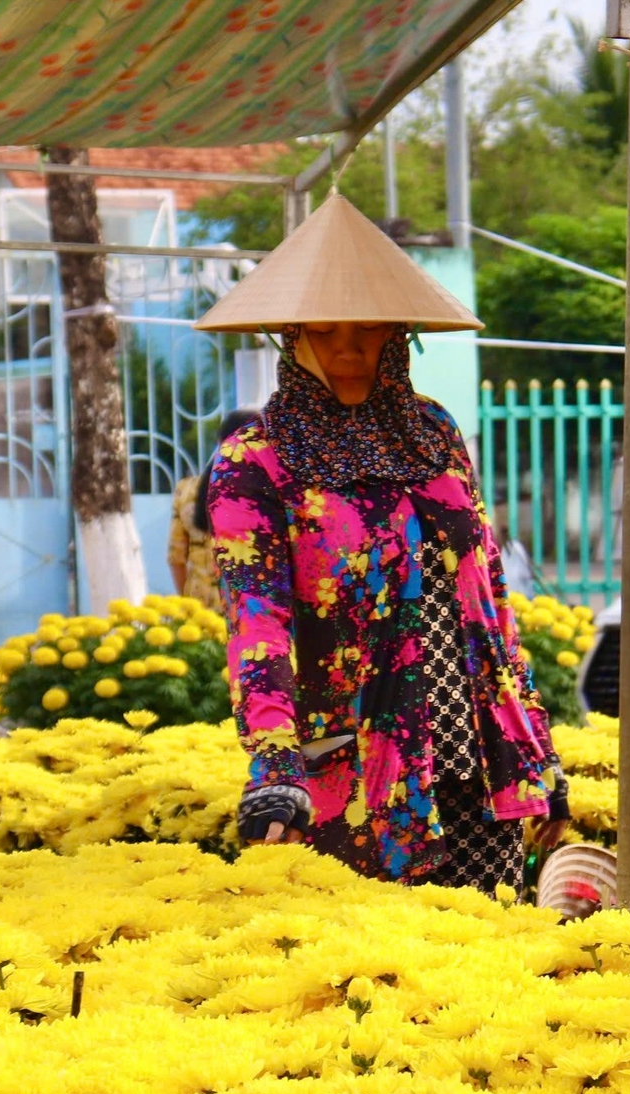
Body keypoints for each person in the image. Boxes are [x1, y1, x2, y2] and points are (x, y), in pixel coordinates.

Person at [192, 193, 569, 891]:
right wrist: (274, 763)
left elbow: (489, 595)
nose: (348, 347)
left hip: (477, 765)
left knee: (490, 952)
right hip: (358, 777)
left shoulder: (435, 431)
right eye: (324, 328)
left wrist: (534, 745)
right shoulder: (256, 460)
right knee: (373, 956)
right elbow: (257, 624)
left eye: (368, 327)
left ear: (397, 334)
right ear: (292, 336)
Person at [168, 409, 261, 604]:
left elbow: (176, 557)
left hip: (201, 606)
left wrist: (188, 603)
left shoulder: (186, 491)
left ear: (220, 443)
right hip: (249, 609)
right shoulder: (264, 495)